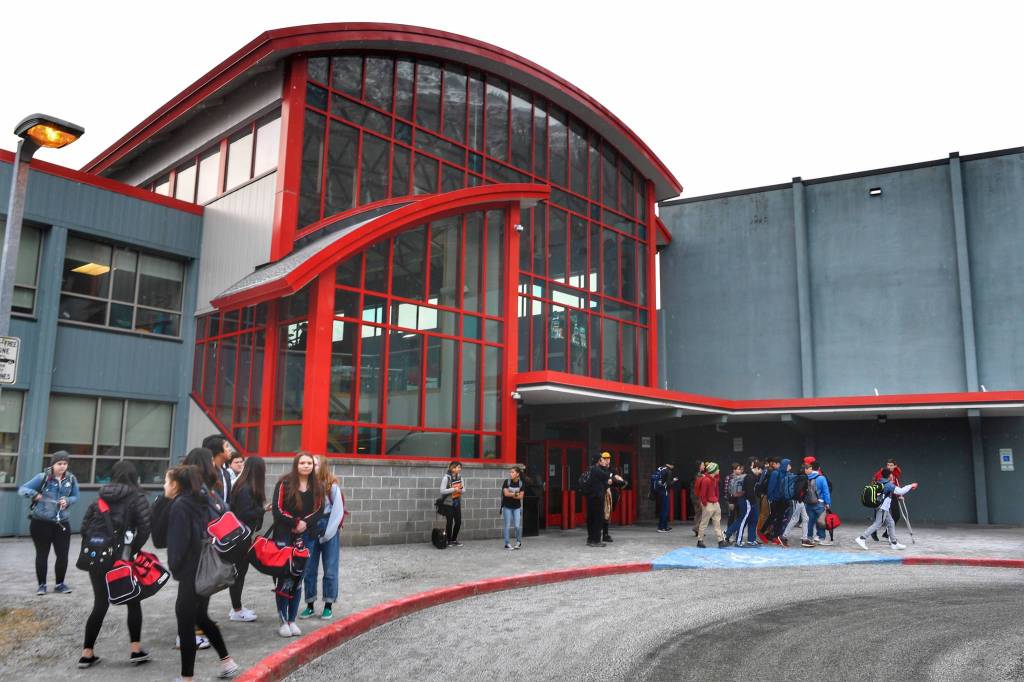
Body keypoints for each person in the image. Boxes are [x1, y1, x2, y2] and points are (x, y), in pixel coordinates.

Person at [165, 465, 239, 681]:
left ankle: (187, 678)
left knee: (185, 622)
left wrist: (175, 568)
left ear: (176, 484)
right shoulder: (204, 500)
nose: (164, 486)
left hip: (190, 571)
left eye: (167, 481)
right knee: (200, 616)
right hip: (206, 568)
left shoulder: (180, 505)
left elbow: (178, 542)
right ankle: (227, 661)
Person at [78, 461, 152, 668]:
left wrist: (100, 545)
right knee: (133, 600)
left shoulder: (100, 498)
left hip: (97, 557)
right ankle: (135, 650)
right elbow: (145, 529)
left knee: (100, 603)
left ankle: (87, 653)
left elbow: (84, 528)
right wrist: (132, 549)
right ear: (134, 477)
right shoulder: (137, 498)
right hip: (122, 559)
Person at [272, 452, 324, 637]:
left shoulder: (318, 486)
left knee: (299, 578)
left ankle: (292, 620)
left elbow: (319, 510)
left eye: (309, 463)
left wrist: (304, 524)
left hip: (307, 536)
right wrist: (294, 523)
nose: (306, 465)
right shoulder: (284, 483)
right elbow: (277, 509)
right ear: (296, 464)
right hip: (285, 536)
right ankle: (282, 621)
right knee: (285, 577)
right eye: (302, 462)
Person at [19, 451, 78, 595]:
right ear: (53, 464)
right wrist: (34, 494)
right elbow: (22, 489)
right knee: (42, 555)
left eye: (65, 464)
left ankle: (60, 584)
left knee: (63, 555)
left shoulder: (71, 479)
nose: (62, 466)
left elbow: (75, 496)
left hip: (62, 523)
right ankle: (42, 585)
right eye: (59, 463)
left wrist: (68, 500)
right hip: (41, 523)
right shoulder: (42, 477)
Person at [300, 456, 345, 620]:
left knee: (330, 568)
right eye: (310, 463)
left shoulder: (332, 486)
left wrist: (328, 534)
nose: (312, 466)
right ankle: (310, 605)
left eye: (315, 464)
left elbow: (338, 512)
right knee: (309, 568)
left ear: (323, 466)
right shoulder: (305, 485)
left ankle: (328, 605)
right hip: (310, 528)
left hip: (328, 526)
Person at [227, 455, 266, 623]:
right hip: (240, 539)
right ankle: (237, 610)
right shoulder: (245, 488)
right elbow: (244, 514)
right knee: (239, 574)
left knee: (239, 574)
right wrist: (263, 510)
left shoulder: (243, 485)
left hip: (240, 537)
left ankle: (236, 607)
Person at [856, 469, 917, 551]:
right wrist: (911, 485)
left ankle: (894, 543)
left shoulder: (880, 481)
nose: (892, 476)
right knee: (878, 524)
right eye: (891, 474)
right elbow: (900, 491)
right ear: (889, 476)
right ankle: (862, 538)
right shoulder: (888, 485)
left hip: (882, 507)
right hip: (882, 507)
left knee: (891, 523)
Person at [583, 452, 619, 547]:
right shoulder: (597, 470)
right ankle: (596, 540)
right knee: (598, 519)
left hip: (590, 497)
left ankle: (590, 539)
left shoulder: (590, 469)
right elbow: (607, 476)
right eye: (602, 459)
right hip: (597, 498)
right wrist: (605, 466)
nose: (604, 461)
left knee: (591, 519)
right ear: (599, 461)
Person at [695, 462, 727, 548]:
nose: (719, 470)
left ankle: (720, 541)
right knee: (704, 522)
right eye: (717, 469)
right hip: (709, 503)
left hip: (714, 502)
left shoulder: (714, 479)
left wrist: (716, 500)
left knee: (717, 522)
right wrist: (705, 503)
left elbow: (715, 491)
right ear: (714, 470)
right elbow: (703, 494)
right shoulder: (706, 480)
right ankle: (700, 540)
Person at [872, 459, 903, 540]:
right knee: (880, 517)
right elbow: (879, 484)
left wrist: (899, 495)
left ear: (895, 466)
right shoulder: (882, 472)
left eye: (891, 465)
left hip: (892, 495)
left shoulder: (895, 473)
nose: (889, 467)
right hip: (882, 495)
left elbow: (897, 484)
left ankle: (887, 533)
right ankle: (873, 532)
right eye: (888, 465)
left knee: (896, 515)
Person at [803, 462, 833, 546]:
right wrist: (827, 503)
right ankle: (821, 539)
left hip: (809, 503)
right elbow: (826, 491)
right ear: (818, 468)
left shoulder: (806, 477)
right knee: (821, 521)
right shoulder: (821, 478)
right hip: (820, 503)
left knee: (810, 521)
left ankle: (809, 538)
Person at [200, 435, 234, 505]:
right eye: (227, 446)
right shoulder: (208, 473)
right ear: (218, 451)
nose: (230, 449)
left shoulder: (226, 473)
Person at [781, 462, 810, 544]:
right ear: (805, 469)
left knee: (805, 518)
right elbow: (798, 490)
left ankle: (804, 539)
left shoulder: (801, 476)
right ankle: (784, 536)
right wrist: (799, 499)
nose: (811, 470)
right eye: (810, 469)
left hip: (800, 501)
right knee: (795, 519)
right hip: (798, 501)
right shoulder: (803, 477)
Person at [439, 462, 465, 547]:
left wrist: (460, 490)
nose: (460, 469)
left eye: (460, 467)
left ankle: (454, 539)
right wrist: (453, 489)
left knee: (458, 521)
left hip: (457, 502)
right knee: (449, 522)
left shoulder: (460, 477)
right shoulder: (446, 478)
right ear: (453, 468)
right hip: (448, 503)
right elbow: (442, 490)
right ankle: (449, 540)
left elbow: (463, 489)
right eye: (458, 467)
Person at [723, 462, 748, 545]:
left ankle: (736, 536)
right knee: (731, 518)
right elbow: (727, 490)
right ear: (734, 470)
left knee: (739, 518)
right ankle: (727, 536)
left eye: (740, 469)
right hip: (732, 501)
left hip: (740, 500)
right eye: (738, 469)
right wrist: (729, 502)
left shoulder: (742, 477)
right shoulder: (729, 478)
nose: (740, 471)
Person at [500, 466, 525, 550]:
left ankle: (518, 542)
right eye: (510, 472)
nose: (510, 474)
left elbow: (521, 496)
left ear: (517, 474)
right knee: (507, 525)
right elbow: (506, 494)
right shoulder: (506, 482)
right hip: (507, 507)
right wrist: (515, 494)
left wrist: (511, 494)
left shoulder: (521, 483)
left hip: (517, 507)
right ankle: (507, 543)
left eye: (512, 472)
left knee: (517, 526)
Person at [602, 466, 628, 543]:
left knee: (607, 514)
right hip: (602, 494)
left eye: (608, 460)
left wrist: (616, 480)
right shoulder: (599, 470)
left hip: (609, 495)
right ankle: (602, 535)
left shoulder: (612, 470)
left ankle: (605, 534)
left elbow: (621, 482)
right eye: (605, 460)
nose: (607, 461)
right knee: (604, 515)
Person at [652, 463, 678, 533]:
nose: (673, 467)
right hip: (665, 492)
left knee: (662, 510)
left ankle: (664, 526)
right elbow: (669, 484)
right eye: (673, 465)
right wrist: (674, 480)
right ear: (670, 465)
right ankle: (661, 528)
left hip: (659, 492)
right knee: (665, 510)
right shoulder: (668, 471)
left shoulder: (660, 468)